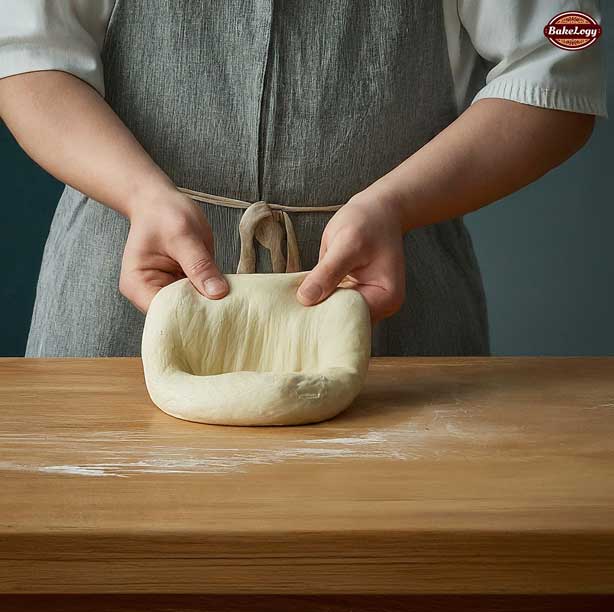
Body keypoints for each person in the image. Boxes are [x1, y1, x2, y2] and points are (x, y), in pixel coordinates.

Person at [0, 1, 606, 358]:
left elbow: (558, 71)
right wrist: (140, 193)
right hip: (130, 288)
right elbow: (26, 58)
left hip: (382, 300)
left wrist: (394, 205)